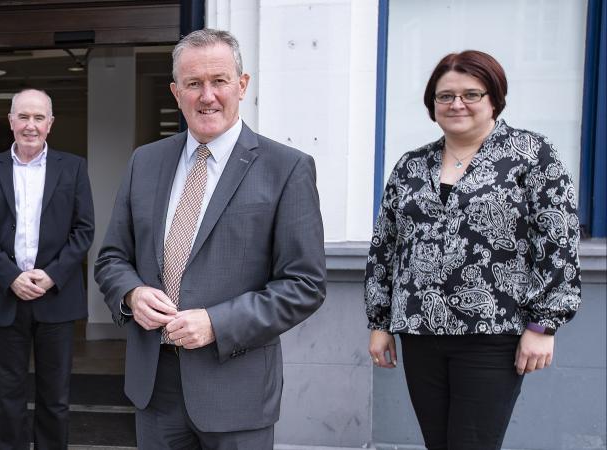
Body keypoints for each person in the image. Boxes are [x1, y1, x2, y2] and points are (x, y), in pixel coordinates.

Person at [94, 29, 326, 447]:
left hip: (236, 389)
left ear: (242, 85)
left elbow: (304, 285)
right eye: (193, 83)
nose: (207, 96)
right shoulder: (144, 162)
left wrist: (217, 323)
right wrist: (131, 294)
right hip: (155, 388)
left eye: (219, 81)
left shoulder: (285, 168)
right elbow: (112, 258)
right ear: (175, 91)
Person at [365, 50, 582, 449]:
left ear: (494, 98)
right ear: (432, 104)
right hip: (420, 332)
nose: (456, 104)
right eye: (445, 96)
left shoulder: (531, 155)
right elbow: (386, 247)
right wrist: (379, 322)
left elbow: (558, 242)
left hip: (492, 333)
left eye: (471, 94)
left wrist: (543, 325)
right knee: (438, 443)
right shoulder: (411, 166)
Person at [0, 88, 95, 449]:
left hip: (56, 296)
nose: (30, 125)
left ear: (50, 124)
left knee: (55, 397)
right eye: (23, 116)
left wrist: (52, 274)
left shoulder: (73, 167)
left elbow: (84, 230)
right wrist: (11, 277)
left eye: (39, 117)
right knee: (7, 398)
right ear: (10, 121)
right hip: (5, 297)